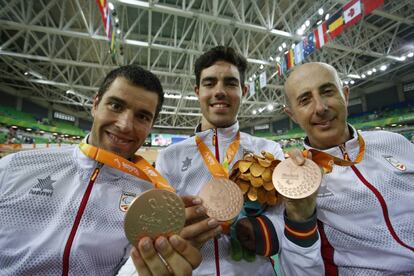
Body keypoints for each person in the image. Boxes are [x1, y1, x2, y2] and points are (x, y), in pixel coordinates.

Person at [0, 65, 202, 276]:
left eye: (142, 117)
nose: (125, 125)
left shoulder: (150, 198)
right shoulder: (13, 167)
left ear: (151, 125)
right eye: (116, 105)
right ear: (95, 104)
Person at [155, 46, 323, 275]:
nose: (220, 91)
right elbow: (160, 226)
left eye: (230, 83)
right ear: (197, 91)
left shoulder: (267, 150)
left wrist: (263, 229)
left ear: (244, 90)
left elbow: (283, 217)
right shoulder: (169, 157)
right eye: (210, 83)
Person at [283, 62, 414, 275]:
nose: (321, 108)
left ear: (345, 94)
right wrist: (299, 218)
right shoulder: (296, 179)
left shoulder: (394, 141)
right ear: (292, 115)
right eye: (305, 100)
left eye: (327, 91)